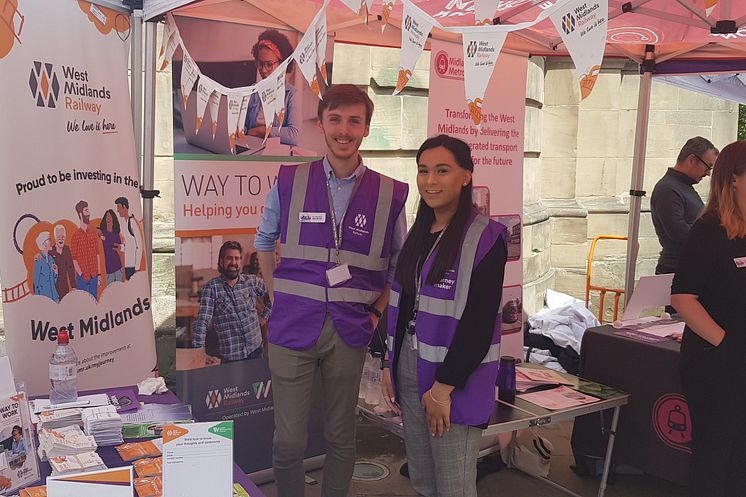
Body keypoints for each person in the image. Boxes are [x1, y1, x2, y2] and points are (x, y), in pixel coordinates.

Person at [255, 84, 408, 497]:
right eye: (336, 119)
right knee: (288, 440)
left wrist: (375, 313)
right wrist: (275, 295)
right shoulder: (290, 180)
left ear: (367, 128)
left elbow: (399, 266)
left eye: (354, 121)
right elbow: (265, 241)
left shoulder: (390, 193)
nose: (344, 130)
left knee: (341, 435)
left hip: (350, 330)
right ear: (321, 123)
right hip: (292, 327)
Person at [380, 135, 507, 497]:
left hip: (453, 379)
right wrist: (389, 364)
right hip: (409, 368)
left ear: (465, 176)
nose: (430, 180)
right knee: (422, 479)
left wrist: (443, 388)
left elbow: (480, 324)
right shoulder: (419, 232)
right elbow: (403, 305)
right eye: (423, 171)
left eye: (442, 170)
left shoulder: (486, 237)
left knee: (453, 485)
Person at [671, 140, 746, 497]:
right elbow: (683, 297)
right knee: (715, 458)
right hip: (716, 364)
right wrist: (727, 345)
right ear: (734, 179)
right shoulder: (709, 231)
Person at [192, 241, 271, 364]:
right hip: (231, 359)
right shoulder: (211, 288)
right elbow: (202, 322)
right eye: (229, 258)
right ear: (221, 261)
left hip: (256, 351)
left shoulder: (252, 282)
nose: (233, 263)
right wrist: (200, 352)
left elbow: (272, 295)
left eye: (237, 258)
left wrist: (264, 317)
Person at [651, 136, 718, 275]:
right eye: (708, 167)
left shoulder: (683, 186)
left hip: (689, 268)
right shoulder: (668, 189)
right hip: (676, 270)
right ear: (692, 160)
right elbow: (679, 233)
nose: (708, 174)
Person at [243, 29, 299, 146]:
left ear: (283, 64)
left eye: (269, 64)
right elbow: (243, 127)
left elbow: (294, 135)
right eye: (260, 63)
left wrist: (261, 130)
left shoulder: (292, 94)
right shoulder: (253, 91)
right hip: (252, 148)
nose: (263, 70)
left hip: (277, 154)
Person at [70, 200, 102, 300]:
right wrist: (81, 274)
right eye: (86, 211)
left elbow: (97, 254)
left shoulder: (92, 233)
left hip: (94, 275)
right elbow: (74, 259)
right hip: (82, 278)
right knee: (83, 303)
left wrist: (99, 274)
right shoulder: (75, 236)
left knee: (94, 301)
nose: (89, 213)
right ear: (80, 214)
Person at [115, 197, 143, 281]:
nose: (118, 210)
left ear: (124, 207)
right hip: (127, 264)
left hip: (132, 266)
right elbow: (130, 244)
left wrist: (137, 267)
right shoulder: (125, 223)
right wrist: (121, 247)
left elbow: (139, 245)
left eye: (119, 207)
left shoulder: (132, 223)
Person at [49, 224, 76, 299]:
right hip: (54, 288)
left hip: (65, 288)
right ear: (55, 237)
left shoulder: (67, 250)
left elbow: (71, 269)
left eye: (63, 236)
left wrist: (73, 286)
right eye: (58, 236)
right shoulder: (50, 252)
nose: (61, 239)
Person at [99, 209, 124, 284]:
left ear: (113, 219)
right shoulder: (102, 233)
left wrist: (119, 247)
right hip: (109, 270)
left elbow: (121, 248)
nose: (108, 219)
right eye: (107, 217)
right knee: (110, 293)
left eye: (110, 217)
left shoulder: (116, 233)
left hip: (118, 267)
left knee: (119, 292)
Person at [33, 232, 59, 302]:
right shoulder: (38, 260)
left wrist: (56, 272)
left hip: (54, 296)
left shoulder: (51, 259)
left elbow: (54, 280)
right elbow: (36, 282)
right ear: (44, 244)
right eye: (49, 240)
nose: (51, 242)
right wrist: (37, 299)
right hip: (43, 297)